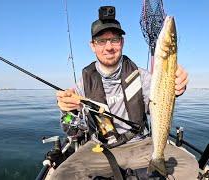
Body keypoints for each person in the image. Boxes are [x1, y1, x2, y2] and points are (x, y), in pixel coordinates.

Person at [53, 6, 196, 180]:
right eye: (101, 41)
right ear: (92, 46)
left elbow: (160, 104)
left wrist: (175, 87)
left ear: (122, 42)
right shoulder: (83, 84)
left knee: (188, 164)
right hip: (100, 149)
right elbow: (72, 132)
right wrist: (68, 111)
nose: (109, 47)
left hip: (142, 145)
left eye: (114, 39)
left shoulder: (143, 77)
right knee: (61, 175)